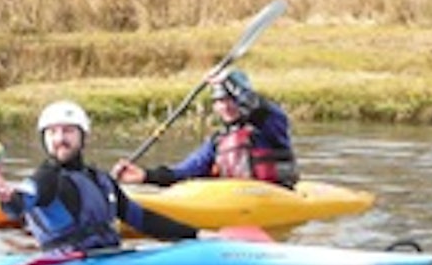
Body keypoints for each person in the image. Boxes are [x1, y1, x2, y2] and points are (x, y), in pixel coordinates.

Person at [0, 100, 215, 254]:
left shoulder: (101, 180)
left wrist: (196, 234)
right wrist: (8, 198)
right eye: (52, 132)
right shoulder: (45, 179)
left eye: (68, 131)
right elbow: (22, 201)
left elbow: (143, 219)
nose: (59, 138)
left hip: (108, 258)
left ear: (83, 136)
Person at [111, 69, 299, 188]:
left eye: (230, 100)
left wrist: (229, 81)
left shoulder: (271, 126)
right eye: (219, 102)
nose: (225, 107)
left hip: (275, 196)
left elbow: (258, 106)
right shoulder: (217, 142)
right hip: (236, 202)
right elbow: (183, 173)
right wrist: (145, 176)